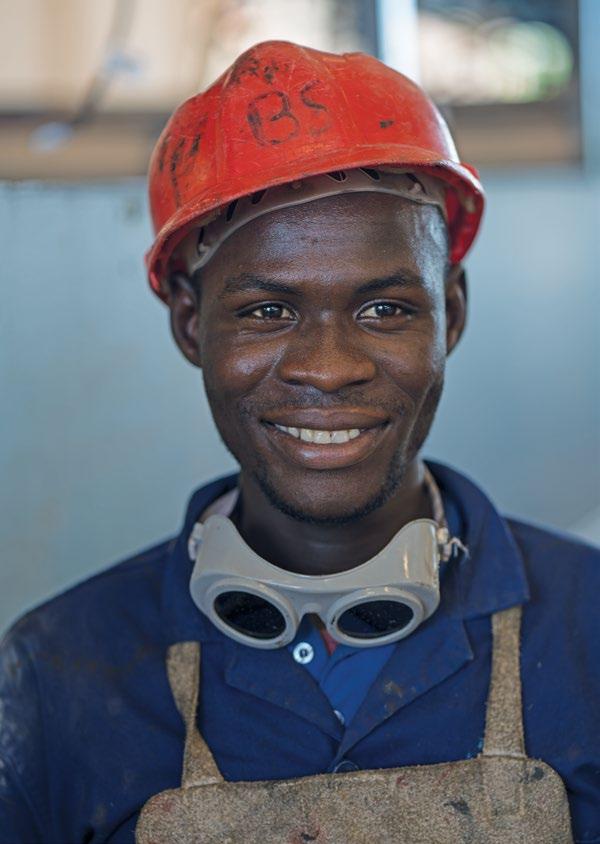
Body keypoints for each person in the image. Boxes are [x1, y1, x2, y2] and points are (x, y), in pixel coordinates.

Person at [1, 40, 598, 843]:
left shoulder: (588, 629)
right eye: (266, 312)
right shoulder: (55, 676)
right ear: (189, 323)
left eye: (385, 309)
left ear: (451, 313)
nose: (328, 369)